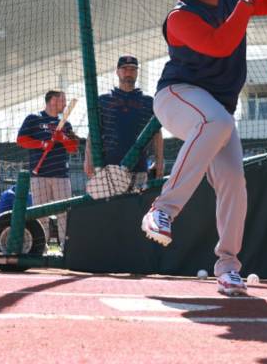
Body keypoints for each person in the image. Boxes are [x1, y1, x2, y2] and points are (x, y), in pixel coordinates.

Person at [140, 0, 267, 296]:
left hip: (218, 113)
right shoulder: (180, 15)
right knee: (216, 122)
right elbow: (220, 44)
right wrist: (247, 0)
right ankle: (162, 210)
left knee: (233, 181)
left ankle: (228, 267)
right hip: (178, 96)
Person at [84, 55, 164, 187]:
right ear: (117, 71)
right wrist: (88, 158)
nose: (129, 73)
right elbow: (93, 132)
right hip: (108, 168)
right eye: (124, 69)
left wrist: (160, 160)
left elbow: (157, 133)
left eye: (133, 69)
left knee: (138, 207)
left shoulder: (148, 101)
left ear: (137, 72)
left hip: (139, 168)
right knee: (111, 207)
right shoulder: (103, 100)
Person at [17, 90, 79, 250]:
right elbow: (21, 140)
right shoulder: (34, 119)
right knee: (40, 213)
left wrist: (62, 138)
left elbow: (73, 147)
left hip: (61, 175)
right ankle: (40, 246)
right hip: (39, 175)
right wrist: (42, 144)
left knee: (64, 213)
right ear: (52, 100)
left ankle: (66, 246)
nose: (65, 104)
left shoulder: (66, 124)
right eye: (62, 100)